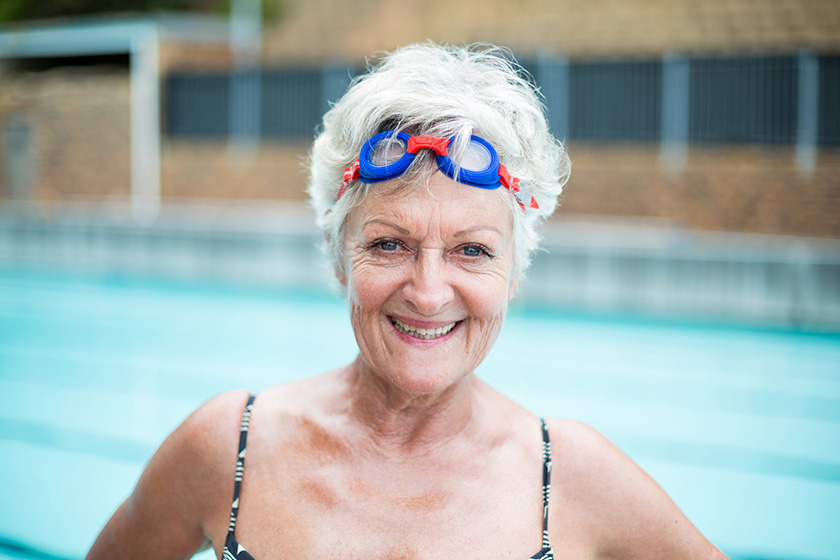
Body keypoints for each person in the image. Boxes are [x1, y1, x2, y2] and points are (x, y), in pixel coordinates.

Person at [87, 42, 728, 560]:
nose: (426, 292)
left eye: (472, 251)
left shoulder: (572, 478)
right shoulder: (229, 448)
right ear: (339, 259)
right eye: (391, 244)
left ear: (514, 273)